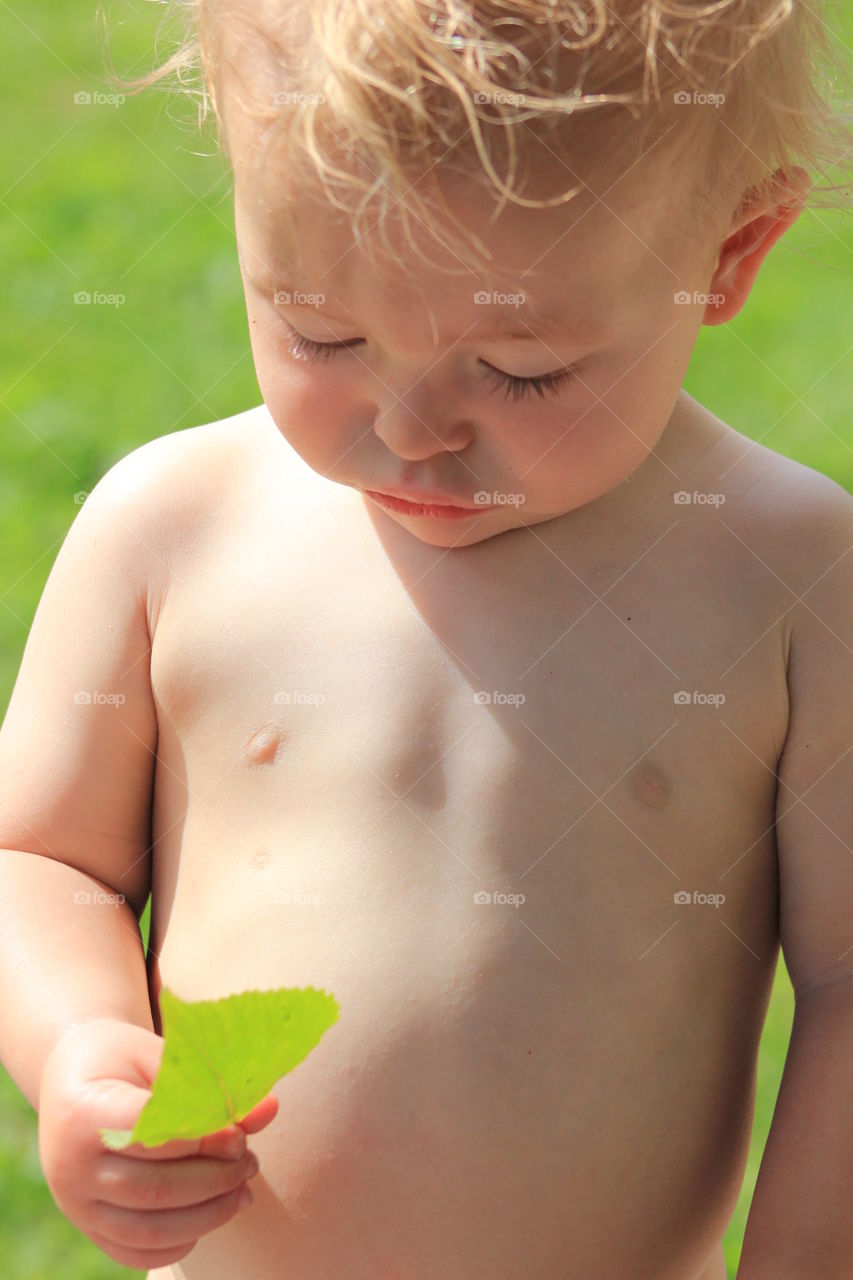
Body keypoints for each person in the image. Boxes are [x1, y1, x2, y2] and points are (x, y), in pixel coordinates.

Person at [1, 2, 851, 1277]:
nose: (410, 430)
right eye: (321, 335)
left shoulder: (786, 574)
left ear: (726, 255)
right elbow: (33, 854)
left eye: (519, 367)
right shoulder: (169, 529)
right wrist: (77, 1045)